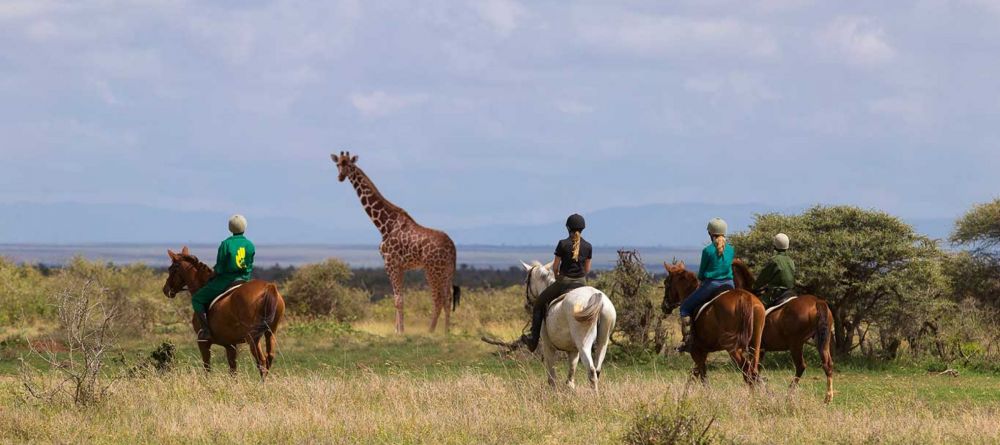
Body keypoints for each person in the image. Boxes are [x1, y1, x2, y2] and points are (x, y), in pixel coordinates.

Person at [520, 213, 593, 352]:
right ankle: (593, 340)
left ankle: (533, 341)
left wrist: (558, 275)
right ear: (583, 228)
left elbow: (555, 267)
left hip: (563, 283)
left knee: (538, 304)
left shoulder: (562, 244)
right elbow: (587, 269)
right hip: (582, 284)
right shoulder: (588, 246)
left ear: (568, 228)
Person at [189, 214, 255, 342]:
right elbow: (250, 264)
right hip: (245, 279)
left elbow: (220, 267)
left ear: (230, 228)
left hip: (227, 280)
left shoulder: (226, 244)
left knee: (197, 298)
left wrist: (213, 274)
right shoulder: (249, 244)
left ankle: (206, 331)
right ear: (245, 227)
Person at [677, 217, 736, 353]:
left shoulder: (707, 251)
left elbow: (702, 273)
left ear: (710, 233)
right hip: (729, 284)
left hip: (712, 284)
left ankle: (687, 341)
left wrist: (701, 278)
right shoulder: (731, 249)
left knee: (685, 307)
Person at [752, 233, 796, 307]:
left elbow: (763, 278)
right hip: (790, 292)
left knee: (756, 308)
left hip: (775, 294)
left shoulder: (774, 260)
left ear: (775, 245)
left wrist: (754, 287)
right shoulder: (791, 261)